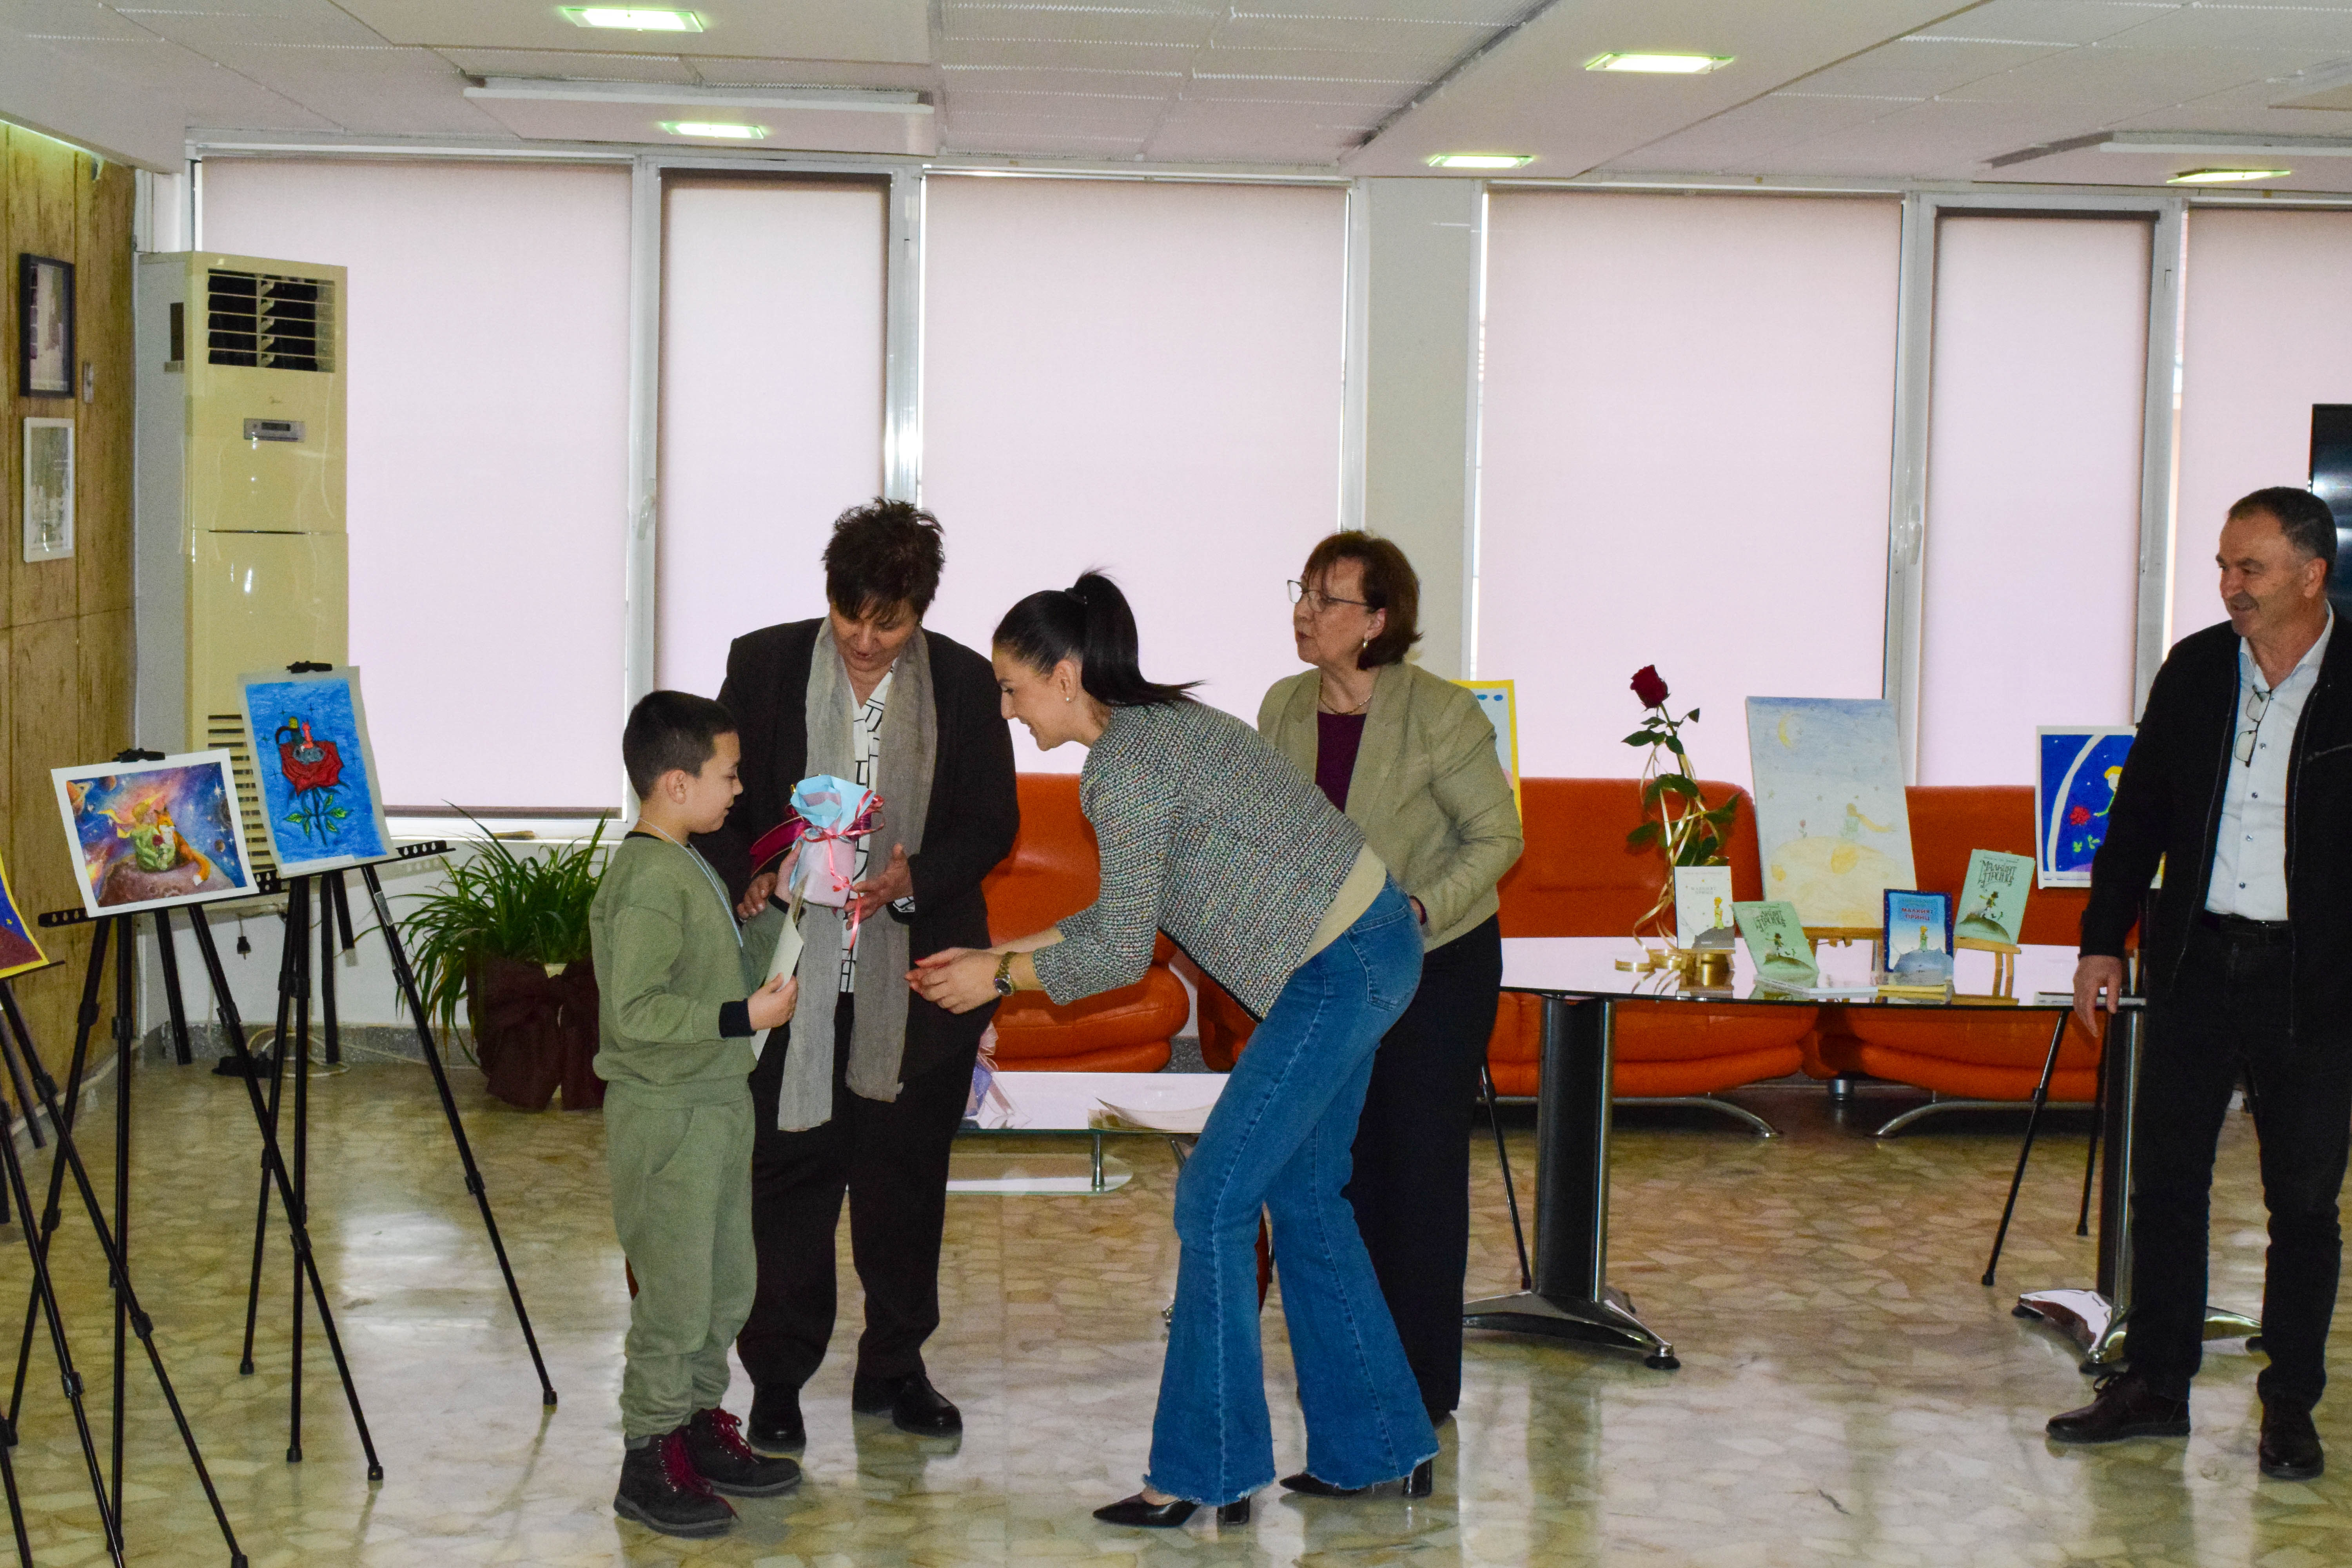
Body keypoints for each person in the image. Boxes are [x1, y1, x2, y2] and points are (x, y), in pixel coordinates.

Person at [909, 572, 1438, 1528]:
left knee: (1214, 1198)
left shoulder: (1125, 766)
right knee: (1305, 1193)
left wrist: (1000, 977)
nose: (1008, 710)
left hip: (1341, 964)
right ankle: (1380, 1446)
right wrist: (999, 960)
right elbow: (1122, 920)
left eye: (1012, 688)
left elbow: (1118, 951)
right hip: (1369, 943)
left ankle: (1205, 1470)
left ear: (1065, 675)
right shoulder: (1159, 731)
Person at [695, 499, 1018, 1451]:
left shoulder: (962, 681)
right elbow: (723, 802)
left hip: (916, 981)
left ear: (921, 612)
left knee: (903, 1183)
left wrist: (916, 877)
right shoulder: (763, 663)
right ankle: (778, 1377)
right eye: (852, 615)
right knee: (789, 1176)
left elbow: (990, 821)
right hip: (793, 977)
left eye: (891, 622)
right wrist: (752, 874)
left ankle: (895, 1366)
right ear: (828, 593)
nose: (867, 640)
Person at [2057, 485, 2352, 1482]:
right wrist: (2102, 942)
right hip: (2195, 961)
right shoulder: (2194, 670)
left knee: (2302, 1202)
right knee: (2167, 1183)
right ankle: (2155, 1383)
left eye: (2250, 567)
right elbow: (2136, 817)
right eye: (2224, 565)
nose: (2230, 585)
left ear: (2311, 574)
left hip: (2313, 979)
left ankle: (2290, 1405)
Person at [1257, 532, 1520, 1428]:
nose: (1305, 612)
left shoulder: (1439, 712)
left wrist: (1415, 909)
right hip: (1329, 968)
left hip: (1435, 961)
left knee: (1414, 1170)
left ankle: (1417, 1388)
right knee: (1329, 1170)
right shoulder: (1284, 705)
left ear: (1376, 620)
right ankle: (1346, 1373)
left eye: (1327, 599)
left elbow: (1497, 837)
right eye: (1303, 592)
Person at [592, 691, 806, 1539]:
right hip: (667, 1117)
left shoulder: (689, 864)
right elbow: (635, 1014)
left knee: (723, 1286)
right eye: (730, 774)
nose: (740, 787)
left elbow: (724, 980)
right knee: (675, 1299)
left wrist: (779, 908)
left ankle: (696, 1426)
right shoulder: (648, 880)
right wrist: (742, 1017)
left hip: (716, 1107)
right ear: (677, 783)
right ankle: (648, 1458)